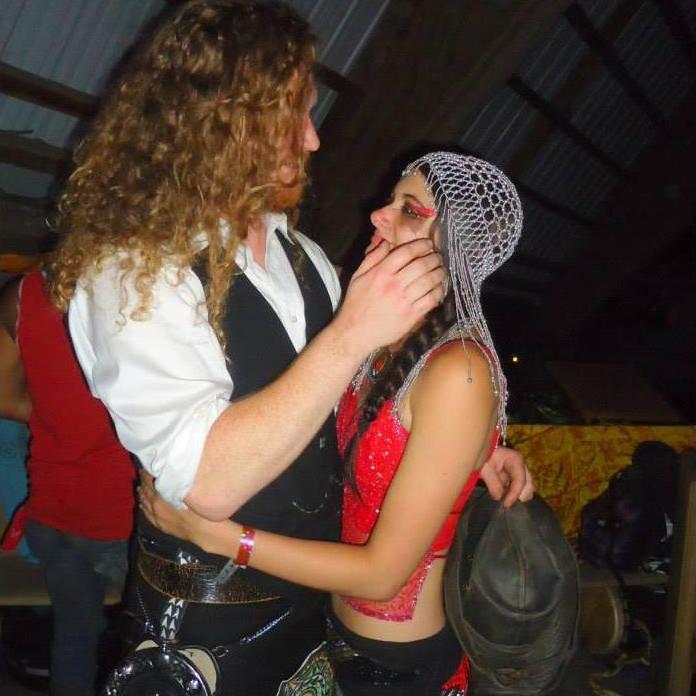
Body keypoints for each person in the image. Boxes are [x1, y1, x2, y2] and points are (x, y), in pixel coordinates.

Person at [48, 2, 530, 693]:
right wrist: (352, 332)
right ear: (227, 121)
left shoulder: (304, 257)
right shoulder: (133, 269)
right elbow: (208, 484)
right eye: (295, 116)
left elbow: (362, 401)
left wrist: (473, 448)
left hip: (315, 619)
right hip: (205, 628)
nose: (313, 139)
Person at [141, 151, 530, 695]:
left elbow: (382, 575)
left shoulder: (458, 370)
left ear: (456, 247)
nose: (378, 215)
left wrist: (220, 536)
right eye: (391, 200)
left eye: (409, 210)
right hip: (329, 632)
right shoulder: (380, 334)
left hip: (398, 666)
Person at [0, 270, 135, 696]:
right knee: (156, 645)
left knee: (74, 638)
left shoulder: (22, 293)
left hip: (54, 514)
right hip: (126, 518)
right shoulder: (149, 284)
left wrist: (55, 415)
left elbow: (4, 398)